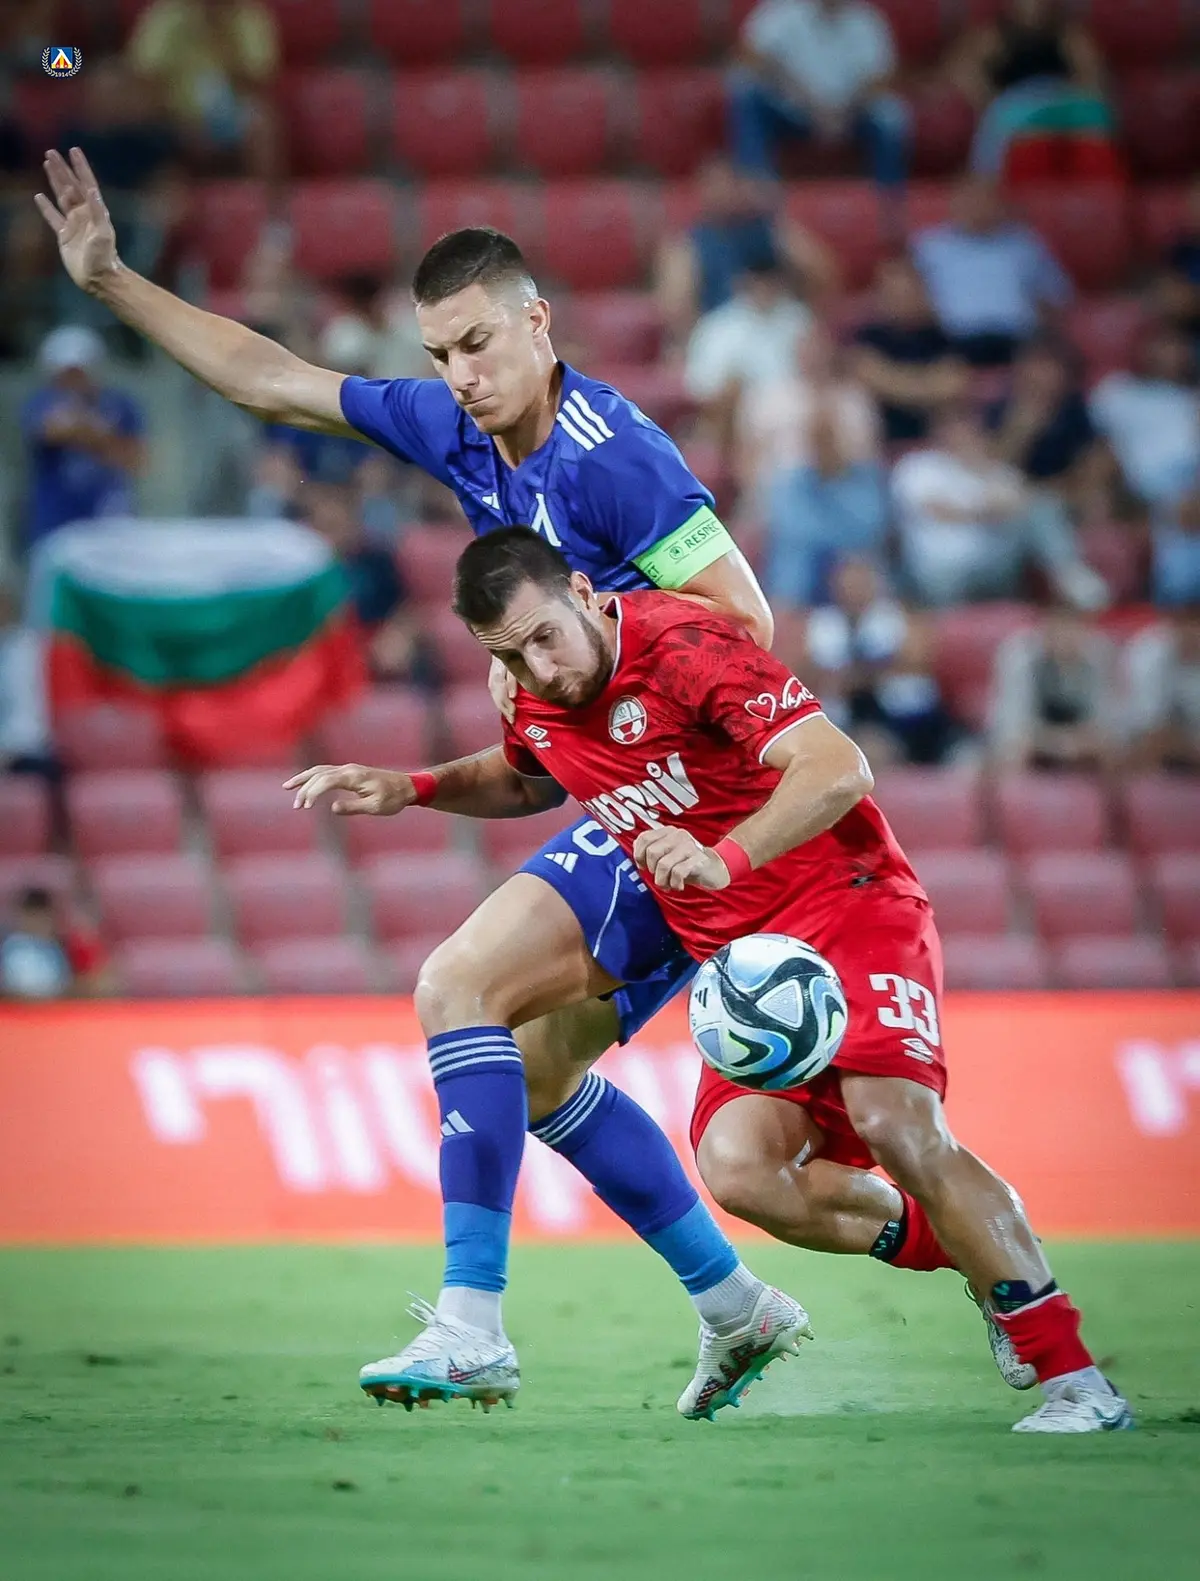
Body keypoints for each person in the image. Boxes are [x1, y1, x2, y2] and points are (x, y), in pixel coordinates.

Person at [35, 149, 786, 1412]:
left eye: (479, 345)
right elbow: (275, 380)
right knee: (536, 1073)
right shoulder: (458, 428)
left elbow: (745, 621)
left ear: (539, 324)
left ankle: (470, 1324)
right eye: (440, 354)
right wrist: (111, 281)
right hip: (631, 802)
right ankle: (735, 1305)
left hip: (690, 803)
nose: (461, 376)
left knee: (456, 986)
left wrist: (575, 654)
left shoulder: (617, 459)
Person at [289, 526, 1132, 1434]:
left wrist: (725, 858)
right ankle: (986, 1258)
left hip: (848, 908)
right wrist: (413, 787)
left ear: (585, 593)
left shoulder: (686, 646)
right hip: (744, 963)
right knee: (742, 1171)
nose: (538, 668)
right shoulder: (533, 692)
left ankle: (1078, 1381)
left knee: (898, 1126)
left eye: (544, 638)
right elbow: (530, 779)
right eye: (509, 656)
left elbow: (838, 767)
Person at [739, 322, 887, 606]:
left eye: (819, 349)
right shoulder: (768, 397)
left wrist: (827, 439)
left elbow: (866, 461)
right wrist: (755, 499)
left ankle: (869, 601)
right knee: (789, 500)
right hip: (787, 493)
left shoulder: (852, 398)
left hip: (844, 490)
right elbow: (747, 459)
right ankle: (789, 605)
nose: (813, 356)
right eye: (807, 349)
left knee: (866, 497)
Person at [890, 406, 1099, 607]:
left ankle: (1069, 573)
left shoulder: (998, 471)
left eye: (967, 429)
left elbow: (1022, 507)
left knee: (1042, 507)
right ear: (938, 433)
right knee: (939, 576)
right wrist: (989, 511)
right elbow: (938, 510)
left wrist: (982, 471)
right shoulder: (918, 466)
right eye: (951, 428)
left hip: (994, 564)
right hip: (940, 571)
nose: (959, 435)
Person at [654, 156, 838, 351]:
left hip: (777, 329)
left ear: (741, 186)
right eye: (713, 185)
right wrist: (699, 344)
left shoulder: (771, 231)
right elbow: (675, 308)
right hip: (721, 335)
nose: (722, 192)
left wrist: (774, 215)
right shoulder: (689, 244)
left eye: (728, 183)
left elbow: (825, 276)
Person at [728, 0, 912, 190]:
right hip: (794, 109)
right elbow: (752, 58)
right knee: (748, 94)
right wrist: (809, 103)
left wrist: (843, 113)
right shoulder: (781, 12)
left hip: (851, 114)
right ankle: (755, 188)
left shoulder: (867, 20)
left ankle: (888, 195)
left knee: (891, 115)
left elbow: (880, 80)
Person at [802, 556, 959, 766]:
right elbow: (808, 677)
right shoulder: (821, 623)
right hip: (843, 714)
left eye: (861, 580)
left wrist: (857, 676)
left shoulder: (898, 616)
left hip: (901, 714)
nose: (854, 589)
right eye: (848, 582)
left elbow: (917, 664)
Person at [911, 177, 1072, 368]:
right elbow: (907, 295)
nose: (977, 207)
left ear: (1000, 204)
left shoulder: (1025, 244)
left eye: (984, 199)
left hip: (1016, 341)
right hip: (953, 341)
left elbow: (1057, 295)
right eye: (969, 199)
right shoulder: (930, 247)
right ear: (954, 203)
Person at [946, 0, 1111, 181]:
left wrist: (1065, 97)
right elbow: (964, 75)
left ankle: (1099, 183)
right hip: (1013, 105)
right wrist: (987, 97)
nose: (1032, 4)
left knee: (1095, 112)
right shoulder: (993, 37)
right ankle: (987, 183)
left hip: (1060, 99)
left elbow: (1091, 79)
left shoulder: (1069, 35)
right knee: (1000, 117)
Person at [20, 325, 146, 549]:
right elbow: (49, 431)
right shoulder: (41, 401)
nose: (74, 380)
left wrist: (88, 433)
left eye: (79, 372)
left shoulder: (120, 404)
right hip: (56, 521)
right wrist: (98, 435)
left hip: (110, 517)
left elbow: (135, 459)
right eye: (67, 373)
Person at [126, 0, 281, 182]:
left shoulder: (249, 16)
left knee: (262, 122)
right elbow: (144, 79)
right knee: (140, 115)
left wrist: (224, 35)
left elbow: (258, 81)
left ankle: (264, 196)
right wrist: (179, 120)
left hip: (232, 116)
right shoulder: (166, 16)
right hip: (175, 117)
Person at [683, 248, 814, 459]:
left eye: (770, 281)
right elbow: (702, 387)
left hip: (797, 407)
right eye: (758, 281)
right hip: (740, 415)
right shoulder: (717, 326)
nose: (764, 288)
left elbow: (818, 369)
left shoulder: (798, 319)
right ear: (743, 283)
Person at [850, 255, 968, 444]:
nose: (901, 299)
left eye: (907, 292)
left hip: (936, 441)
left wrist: (892, 382)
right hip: (878, 439)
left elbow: (954, 384)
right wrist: (929, 386)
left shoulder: (941, 337)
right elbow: (866, 375)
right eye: (894, 293)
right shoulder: (868, 336)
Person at [988, 603, 1119, 770]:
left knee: (1110, 750)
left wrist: (1077, 742)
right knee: (1013, 749)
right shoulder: (1019, 655)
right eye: (1060, 629)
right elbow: (1010, 725)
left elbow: (1109, 723)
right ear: (1045, 629)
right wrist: (1053, 742)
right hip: (1033, 737)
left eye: (1073, 629)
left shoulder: (1100, 654)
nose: (1066, 637)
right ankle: (1014, 787)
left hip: (1082, 739)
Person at [1122, 605, 1200, 772]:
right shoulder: (1148, 653)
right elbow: (1147, 724)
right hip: (1149, 740)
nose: (1194, 632)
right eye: (1188, 622)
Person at [0, 885, 109, 1001]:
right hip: (14, 1008)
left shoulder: (64, 948)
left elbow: (87, 982)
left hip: (54, 1007)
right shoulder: (7, 947)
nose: (36, 923)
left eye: (42, 917)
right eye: (32, 916)